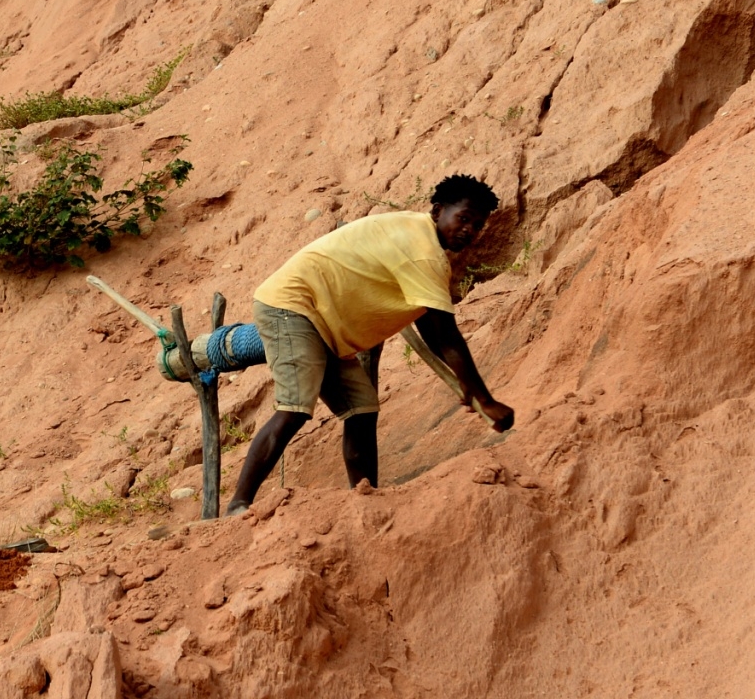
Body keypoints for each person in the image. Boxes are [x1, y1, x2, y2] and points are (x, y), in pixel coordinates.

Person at [172, 174, 514, 515]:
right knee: (295, 407)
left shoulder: (420, 241)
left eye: (478, 225)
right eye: (464, 218)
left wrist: (469, 387)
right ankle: (239, 504)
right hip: (295, 308)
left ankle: (366, 499)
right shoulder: (422, 250)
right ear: (438, 210)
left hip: (324, 326)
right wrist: (484, 398)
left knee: (362, 411)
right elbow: (446, 336)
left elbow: (429, 325)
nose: (470, 229)